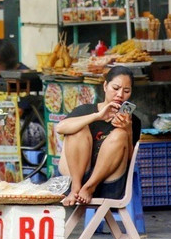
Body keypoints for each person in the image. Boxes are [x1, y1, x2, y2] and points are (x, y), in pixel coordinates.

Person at [56, 66, 141, 206]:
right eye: (115, 88)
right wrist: (97, 116)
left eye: (126, 91)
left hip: (106, 182)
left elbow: (130, 160)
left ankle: (89, 186)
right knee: (77, 128)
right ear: (105, 86)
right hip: (74, 177)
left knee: (120, 134)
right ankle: (76, 187)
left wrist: (128, 130)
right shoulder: (85, 110)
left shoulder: (132, 121)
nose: (120, 95)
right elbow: (60, 128)